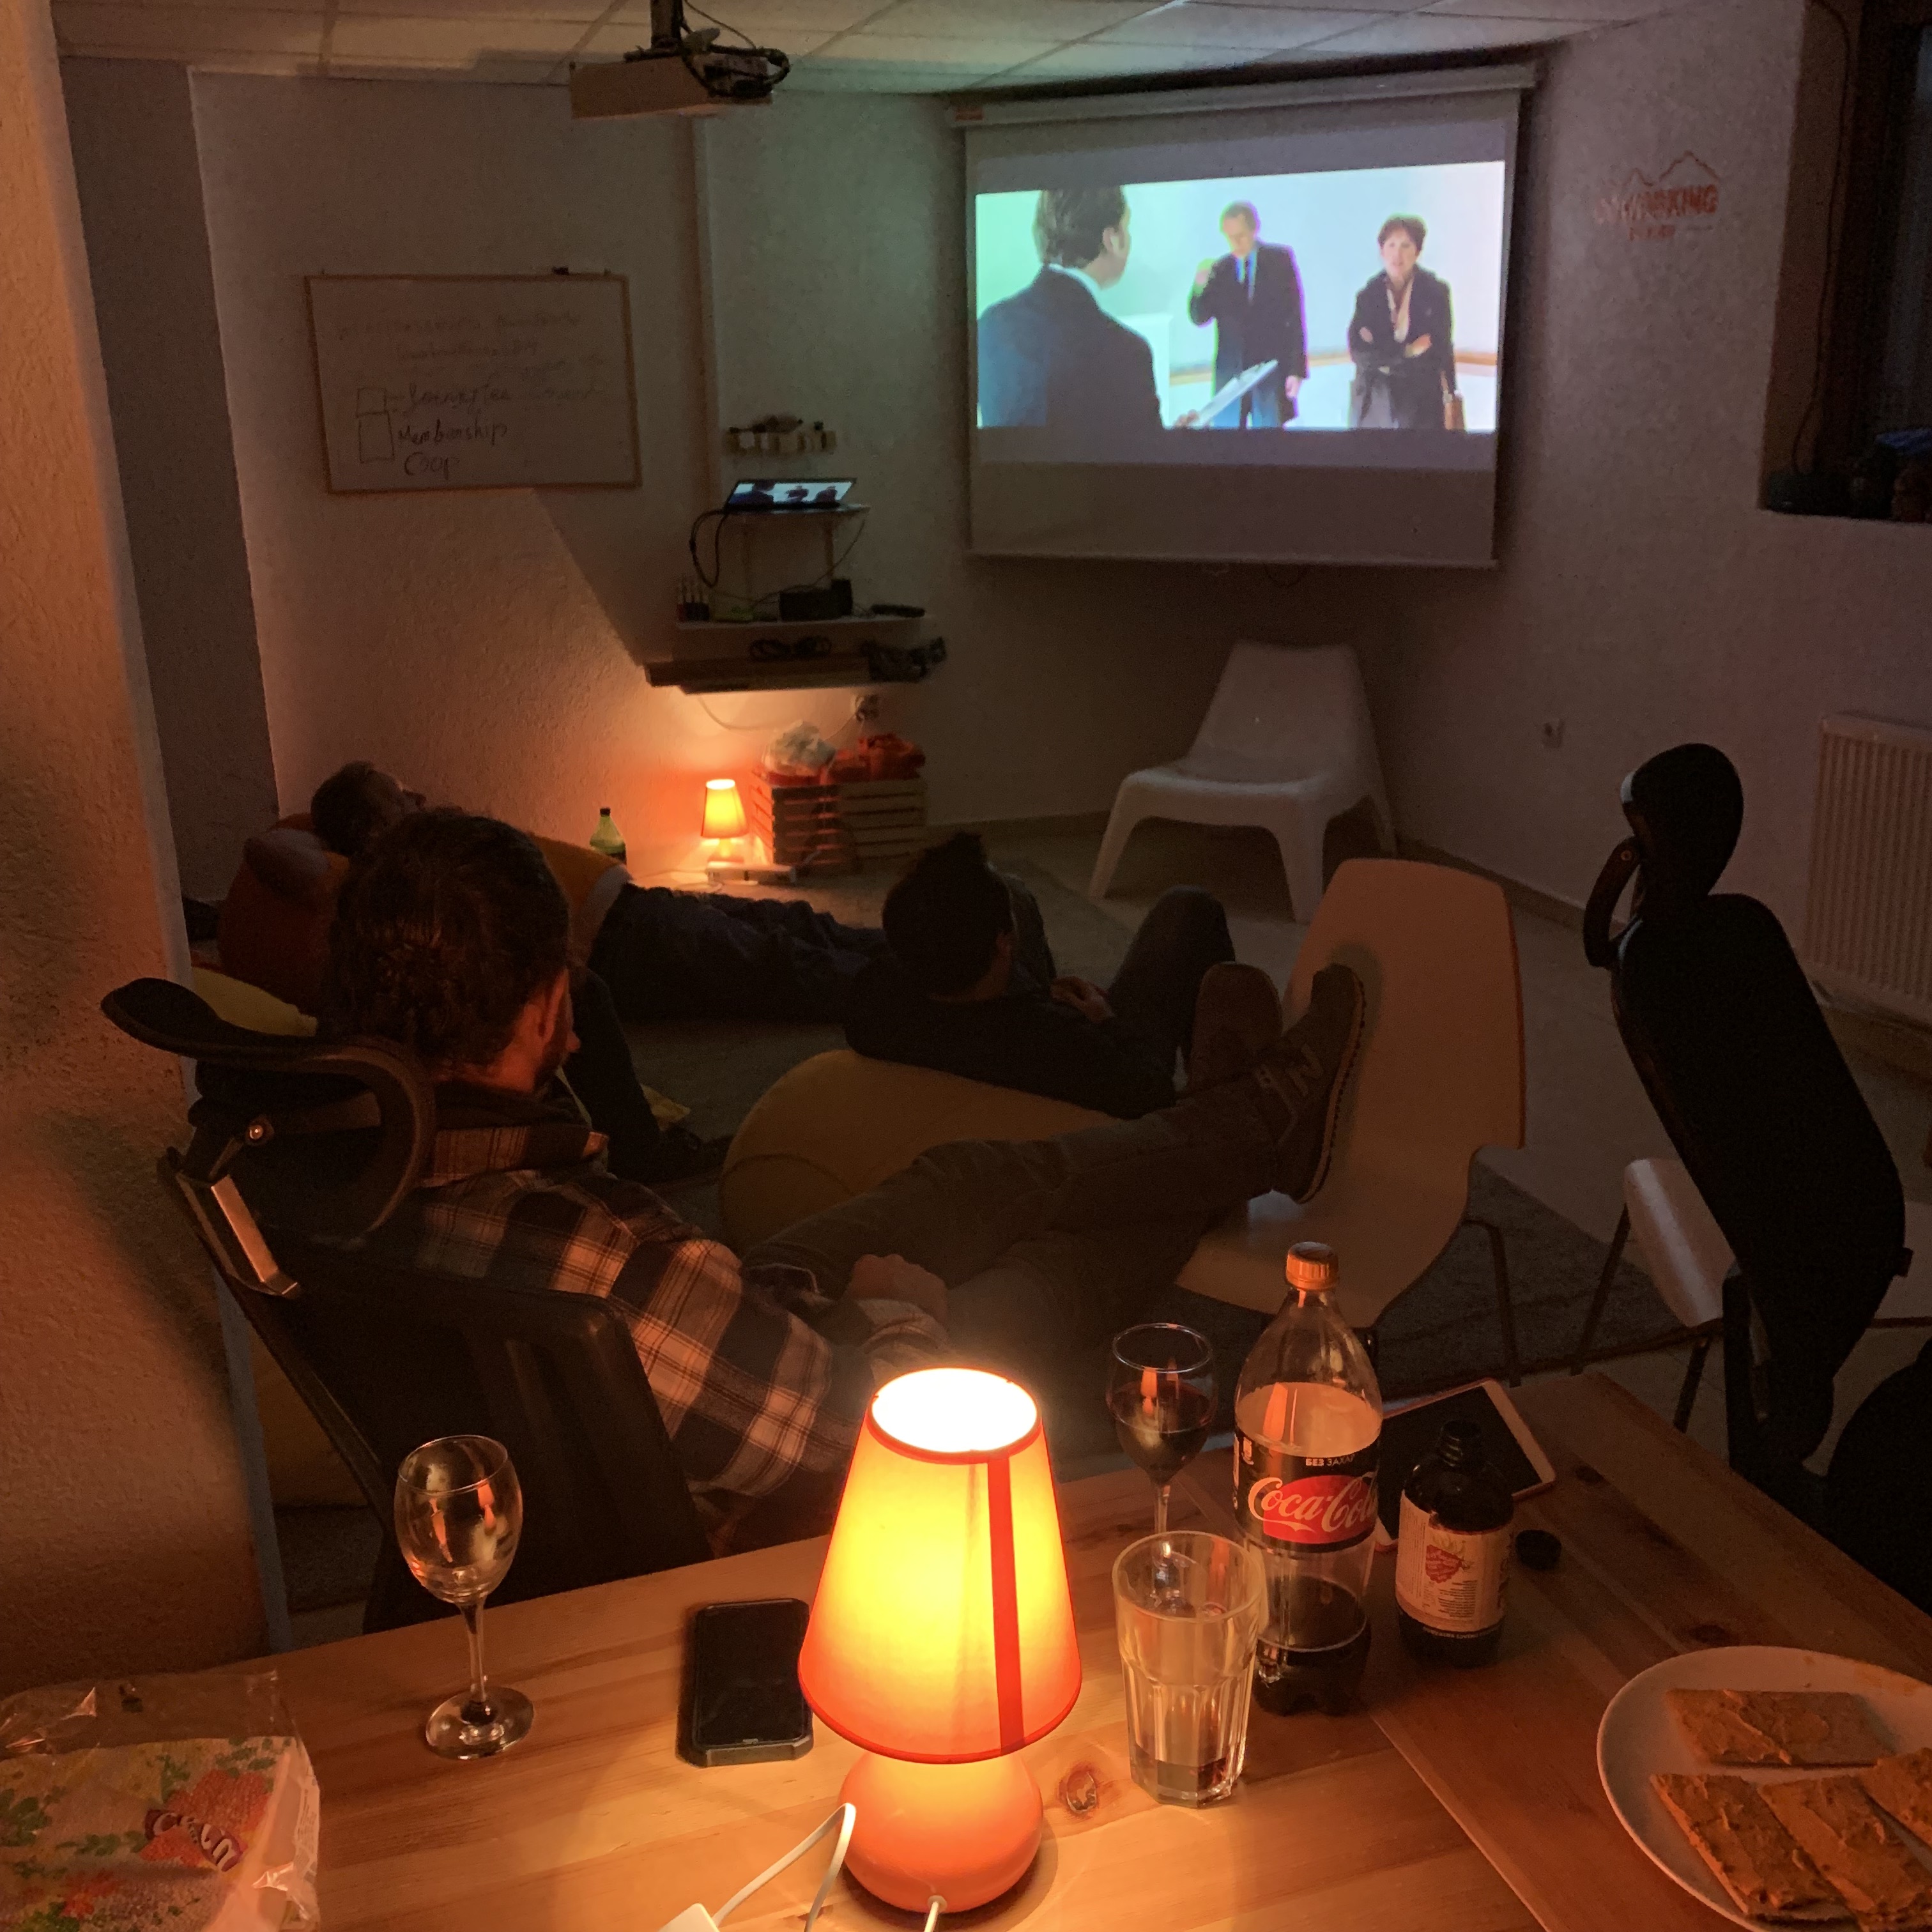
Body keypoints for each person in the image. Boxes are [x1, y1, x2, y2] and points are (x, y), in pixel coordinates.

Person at [328, 809, 1365, 1552]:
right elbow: (847, 1428)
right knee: (1060, 1254)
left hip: (689, 1350)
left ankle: (1232, 1125)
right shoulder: (600, 1247)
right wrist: (897, 1315)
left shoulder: (331, 1176)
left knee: (958, 1177)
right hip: (812, 1468)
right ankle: (1241, 1129)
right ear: (554, 1005)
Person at [305, 762, 891, 1024]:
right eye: (400, 798)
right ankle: (913, 989)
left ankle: (904, 948)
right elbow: (276, 853)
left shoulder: (437, 845)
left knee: (787, 919)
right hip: (625, 944)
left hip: (640, 908)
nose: (420, 799)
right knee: (775, 963)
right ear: (372, 830)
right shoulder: (419, 880)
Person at [846, 832, 1247, 1118]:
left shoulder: (876, 998)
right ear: (1003, 943)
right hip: (1066, 1047)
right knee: (1189, 908)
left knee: (1013, 891)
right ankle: (1228, 1096)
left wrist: (1037, 995)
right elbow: (1152, 1092)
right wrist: (1103, 1020)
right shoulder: (1058, 1041)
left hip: (992, 1018)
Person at [977, 187, 1162, 444]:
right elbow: (1143, 468)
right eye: (1126, 227)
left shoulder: (989, 325)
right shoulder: (1128, 352)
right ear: (1112, 240)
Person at [1184, 201, 1308, 430]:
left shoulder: (1279, 259)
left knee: (1271, 446)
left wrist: (1296, 370)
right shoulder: (1220, 269)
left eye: (1240, 235)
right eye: (1229, 236)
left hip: (1270, 372)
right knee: (1229, 448)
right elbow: (1199, 317)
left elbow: (1295, 316)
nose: (1235, 243)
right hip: (1230, 376)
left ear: (1254, 229)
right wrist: (1199, 285)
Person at [1347, 215, 1459, 431]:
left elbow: (1438, 351)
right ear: (1381, 251)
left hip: (1423, 403)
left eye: (1406, 245)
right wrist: (1408, 351)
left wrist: (1383, 356)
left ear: (1417, 251)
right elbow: (1360, 354)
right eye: (1391, 245)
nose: (1397, 254)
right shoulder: (1367, 296)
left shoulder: (1437, 293)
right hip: (1375, 402)